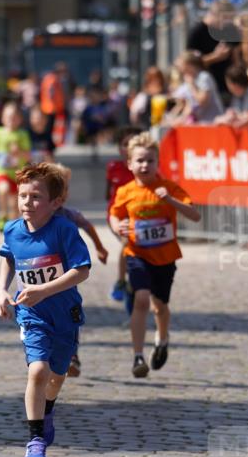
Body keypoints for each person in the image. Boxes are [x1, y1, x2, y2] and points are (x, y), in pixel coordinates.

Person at [0, 163, 91, 457]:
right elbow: (9, 258)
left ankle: (48, 407)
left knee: (58, 373)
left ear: (56, 202)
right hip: (31, 312)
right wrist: (1, 290)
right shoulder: (12, 230)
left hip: (64, 313)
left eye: (36, 197)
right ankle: (35, 441)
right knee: (38, 370)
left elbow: (82, 271)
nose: (27, 202)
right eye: (23, 195)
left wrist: (45, 289)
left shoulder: (64, 230)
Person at [109, 133, 201, 378]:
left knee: (160, 306)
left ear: (157, 162)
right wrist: (117, 226)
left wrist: (171, 201)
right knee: (140, 299)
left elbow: (195, 215)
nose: (144, 165)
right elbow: (114, 215)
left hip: (165, 256)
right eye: (139, 160)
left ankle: (162, 339)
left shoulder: (169, 188)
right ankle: (138, 355)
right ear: (129, 164)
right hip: (137, 254)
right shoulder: (125, 191)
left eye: (150, 160)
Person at [53, 163, 109, 377]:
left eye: (65, 188)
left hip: (68, 276)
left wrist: (100, 247)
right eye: (58, 188)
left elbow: (88, 226)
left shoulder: (69, 215)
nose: (63, 193)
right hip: (44, 277)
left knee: (71, 313)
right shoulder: (36, 217)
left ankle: (72, 353)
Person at [0, 101, 32, 231]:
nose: (11, 120)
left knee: (14, 204)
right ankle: (2, 215)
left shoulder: (22, 134)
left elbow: (28, 156)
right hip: (2, 171)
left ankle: (11, 226)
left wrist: (19, 152)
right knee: (3, 189)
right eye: (8, 117)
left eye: (14, 117)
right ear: (2, 118)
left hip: (18, 174)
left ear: (20, 120)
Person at [105, 126, 137, 301]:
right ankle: (120, 280)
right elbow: (108, 192)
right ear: (119, 148)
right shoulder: (113, 167)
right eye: (125, 144)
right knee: (127, 241)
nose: (129, 148)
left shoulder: (144, 166)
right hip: (117, 215)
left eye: (133, 143)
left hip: (140, 215)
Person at [187, 0, 242, 98]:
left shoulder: (230, 29)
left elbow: (236, 56)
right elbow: (189, 65)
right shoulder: (197, 32)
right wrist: (215, 57)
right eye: (226, 18)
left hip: (228, 87)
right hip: (205, 88)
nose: (228, 22)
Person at [170, 50, 223, 124]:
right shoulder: (189, 79)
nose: (178, 66)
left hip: (212, 122)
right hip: (200, 123)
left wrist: (192, 86)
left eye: (181, 63)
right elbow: (190, 105)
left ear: (188, 64)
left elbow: (202, 101)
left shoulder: (204, 77)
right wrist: (181, 118)